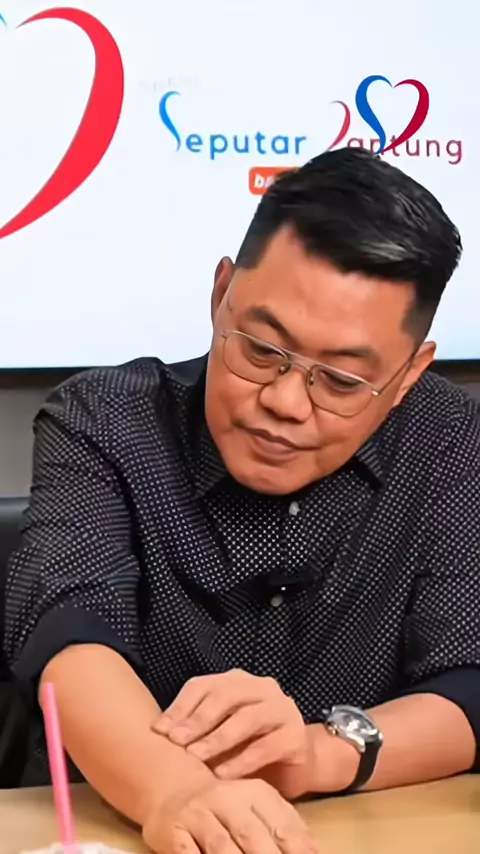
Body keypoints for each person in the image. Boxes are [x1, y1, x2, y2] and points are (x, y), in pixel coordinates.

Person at [4, 147, 480, 854]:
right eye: (260, 349)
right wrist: (176, 791)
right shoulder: (103, 421)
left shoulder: (451, 440)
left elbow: (467, 680)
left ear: (409, 374)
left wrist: (318, 754)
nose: (284, 402)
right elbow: (71, 641)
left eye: (341, 382)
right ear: (220, 292)